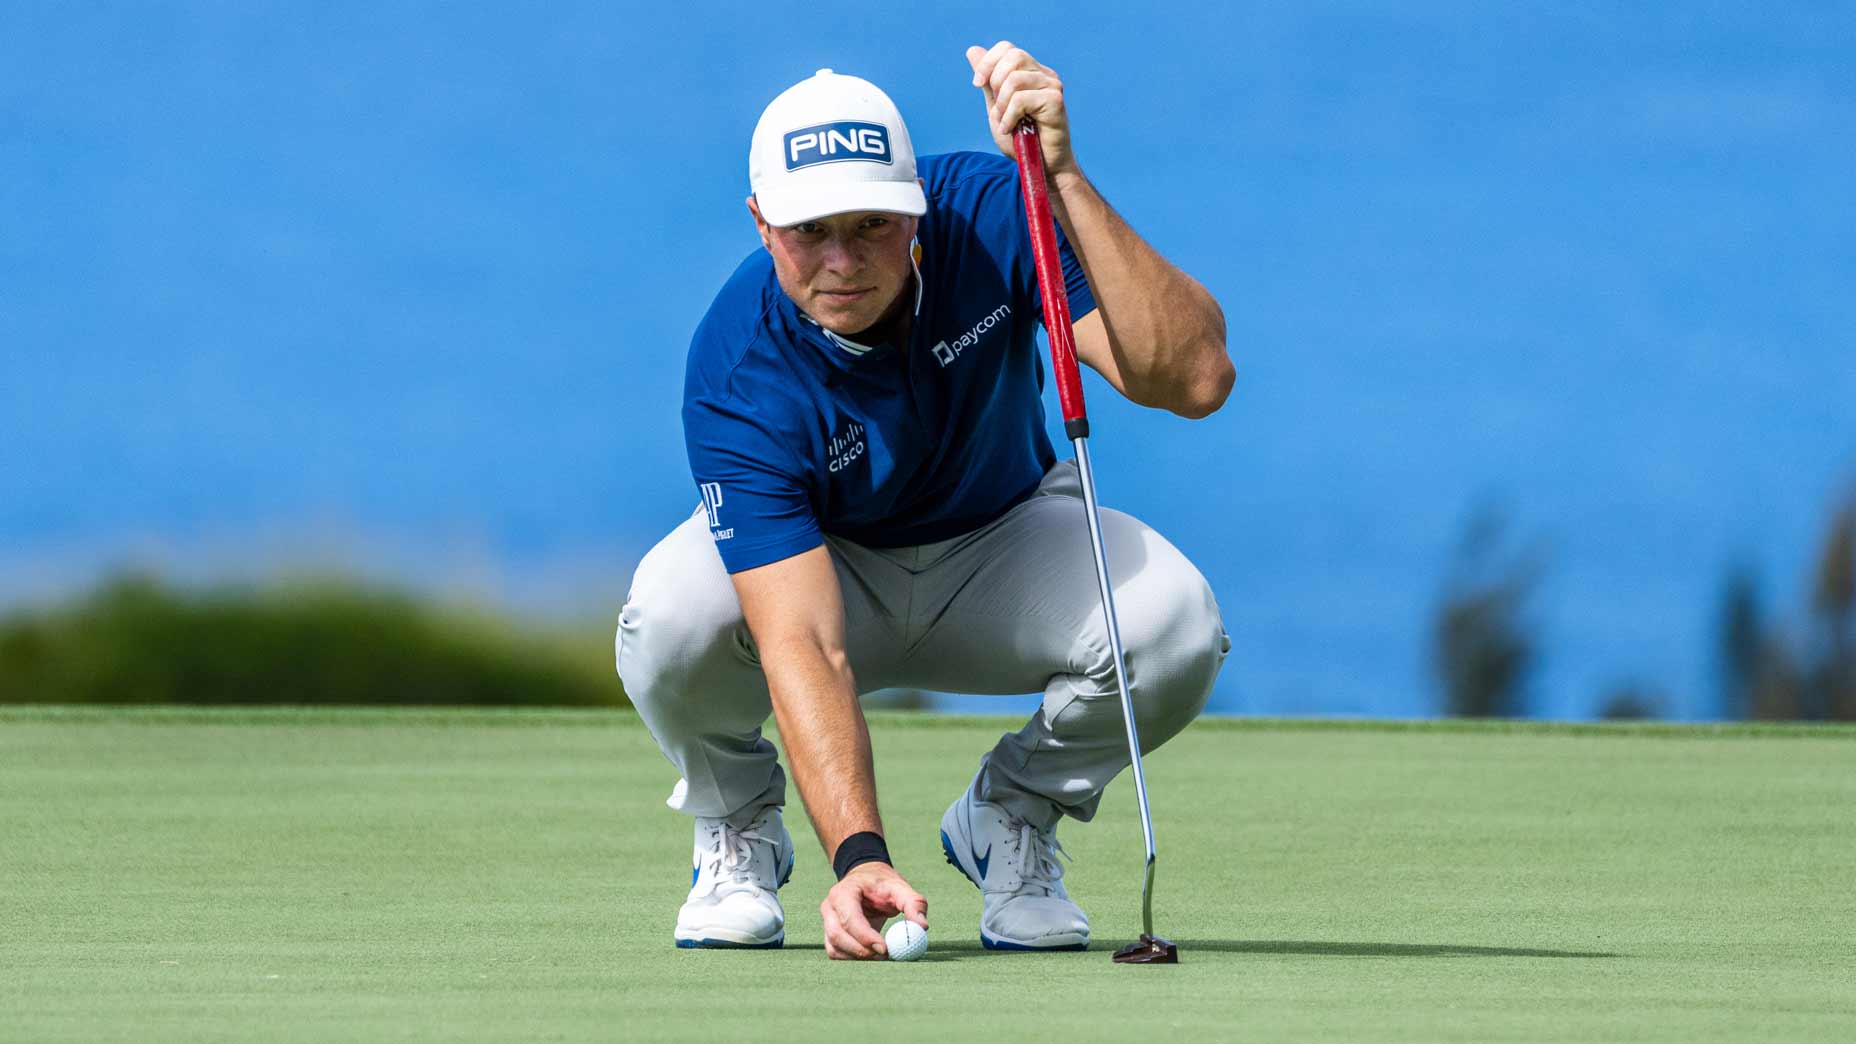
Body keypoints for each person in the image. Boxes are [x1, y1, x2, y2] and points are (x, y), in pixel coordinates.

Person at [616, 42, 1233, 960]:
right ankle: (740, 824)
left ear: (917, 210)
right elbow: (803, 640)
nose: (841, 262)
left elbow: (1193, 378)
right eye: (808, 231)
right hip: (834, 571)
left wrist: (1060, 177)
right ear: (760, 223)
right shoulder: (736, 369)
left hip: (1005, 540)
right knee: (669, 619)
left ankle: (1009, 817)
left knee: (1176, 623)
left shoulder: (991, 212)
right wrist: (858, 857)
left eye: (871, 225)